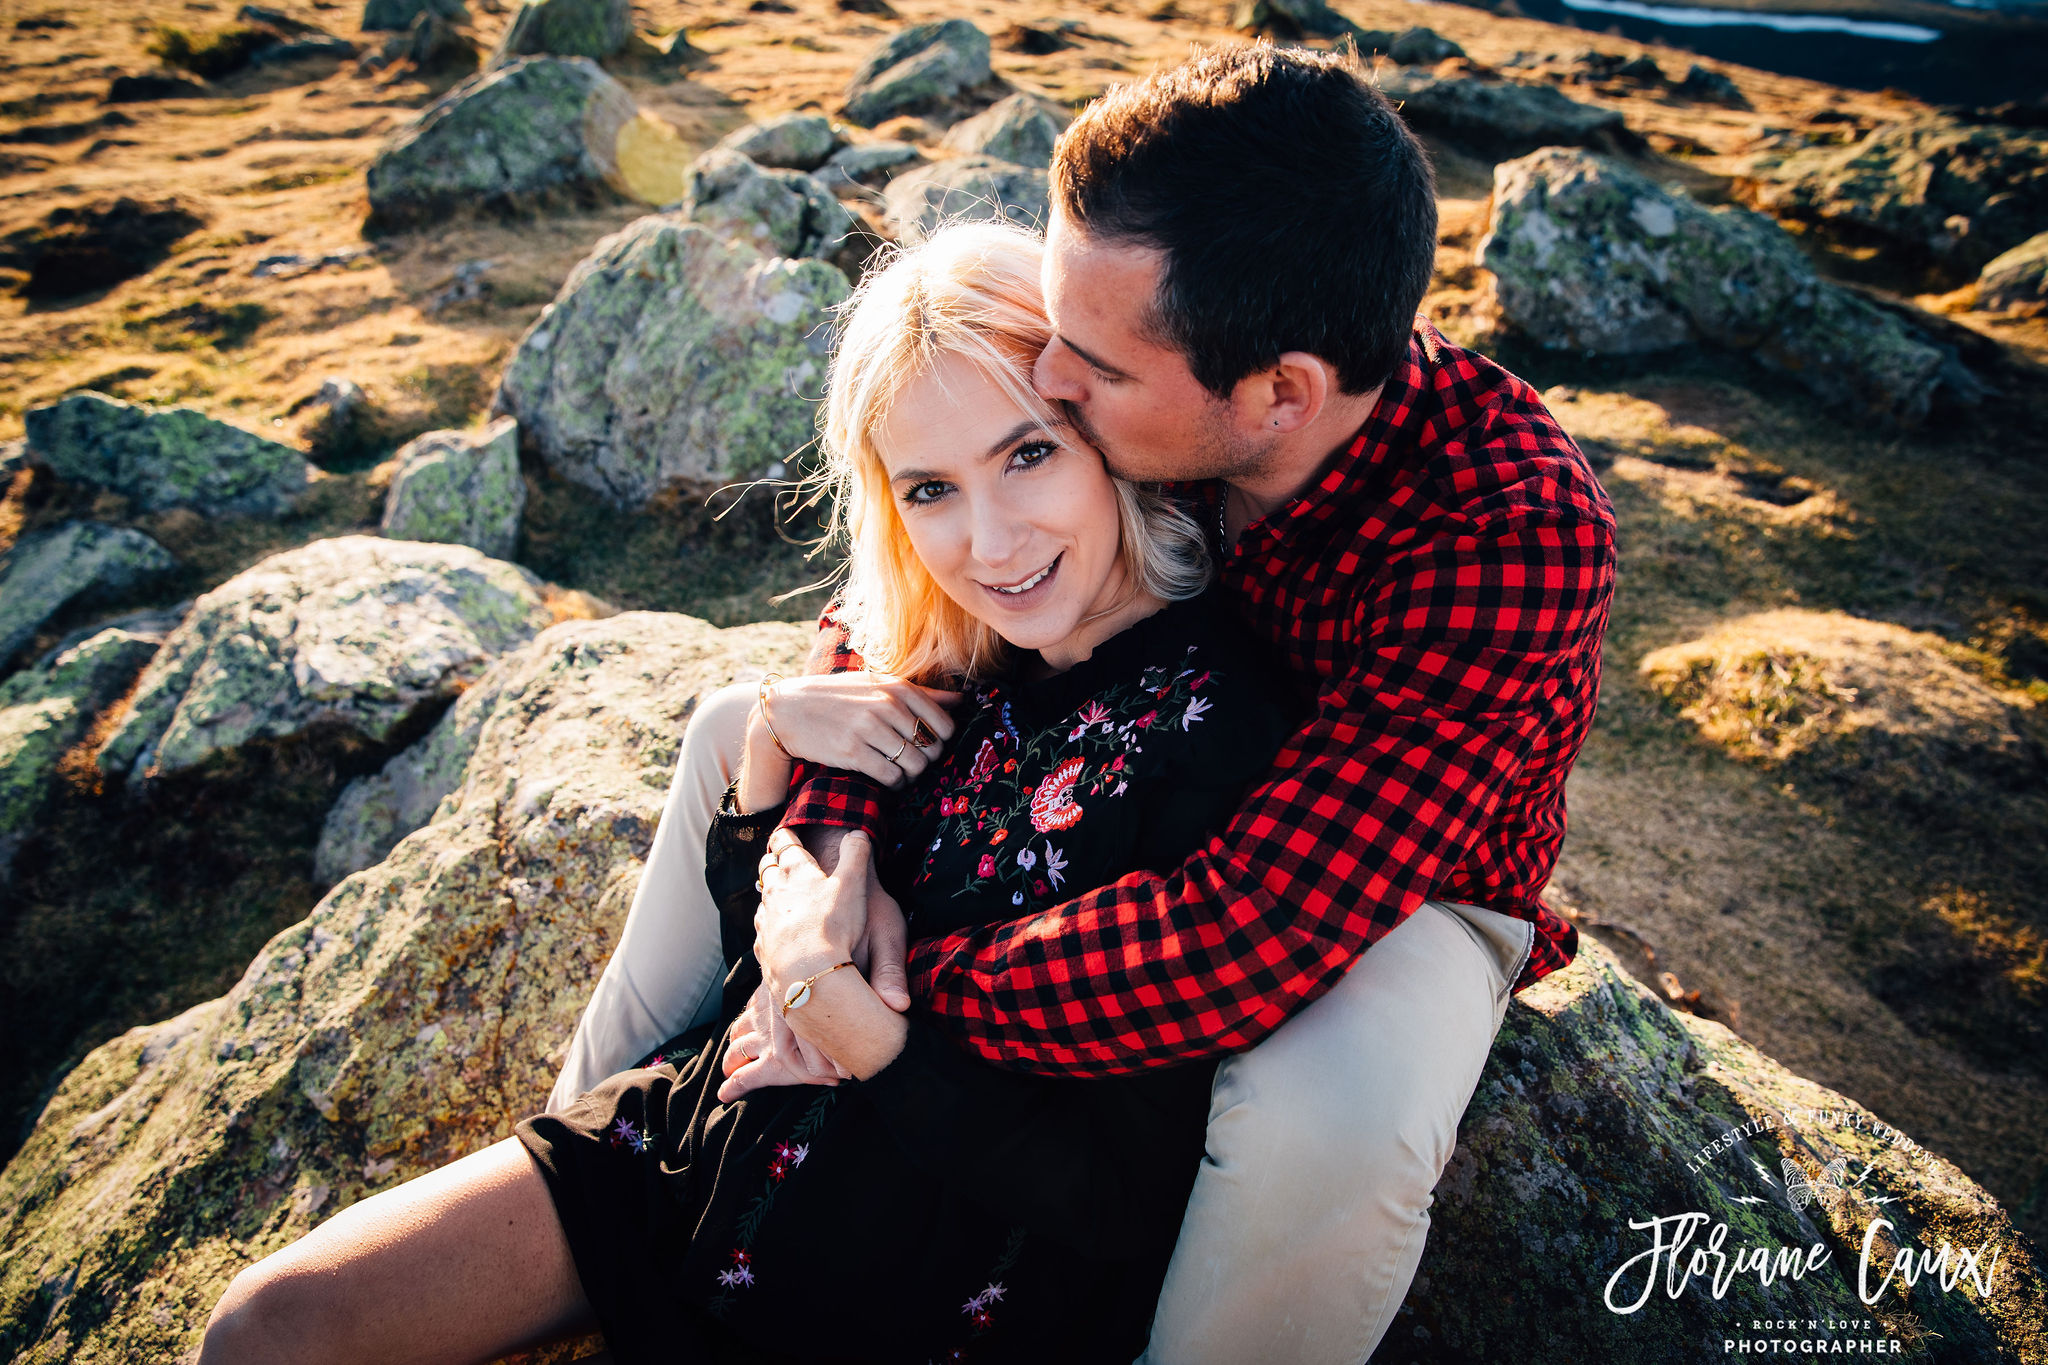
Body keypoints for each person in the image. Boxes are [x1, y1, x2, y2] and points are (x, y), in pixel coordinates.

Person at [558, 42, 1618, 1365]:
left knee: (1332, 1118)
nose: (1051, 378)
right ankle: (612, 1143)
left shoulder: (1506, 534)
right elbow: (921, 594)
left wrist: (882, 1001)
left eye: (1089, 370)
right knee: (734, 725)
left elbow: (1244, 933)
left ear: (1278, 398)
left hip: (1392, 874)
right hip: (1140, 764)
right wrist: (823, 879)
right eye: (1056, 326)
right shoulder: (1175, 366)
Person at [199, 222, 1305, 1364]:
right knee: (269, 1330)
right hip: (688, 1159)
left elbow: (1122, 1197)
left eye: (1027, 455)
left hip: (913, 1290)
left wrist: (871, 1041)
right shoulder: (937, 654)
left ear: (1106, 435)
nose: (987, 542)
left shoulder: (1219, 728)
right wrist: (770, 767)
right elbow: (755, 962)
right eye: (930, 488)